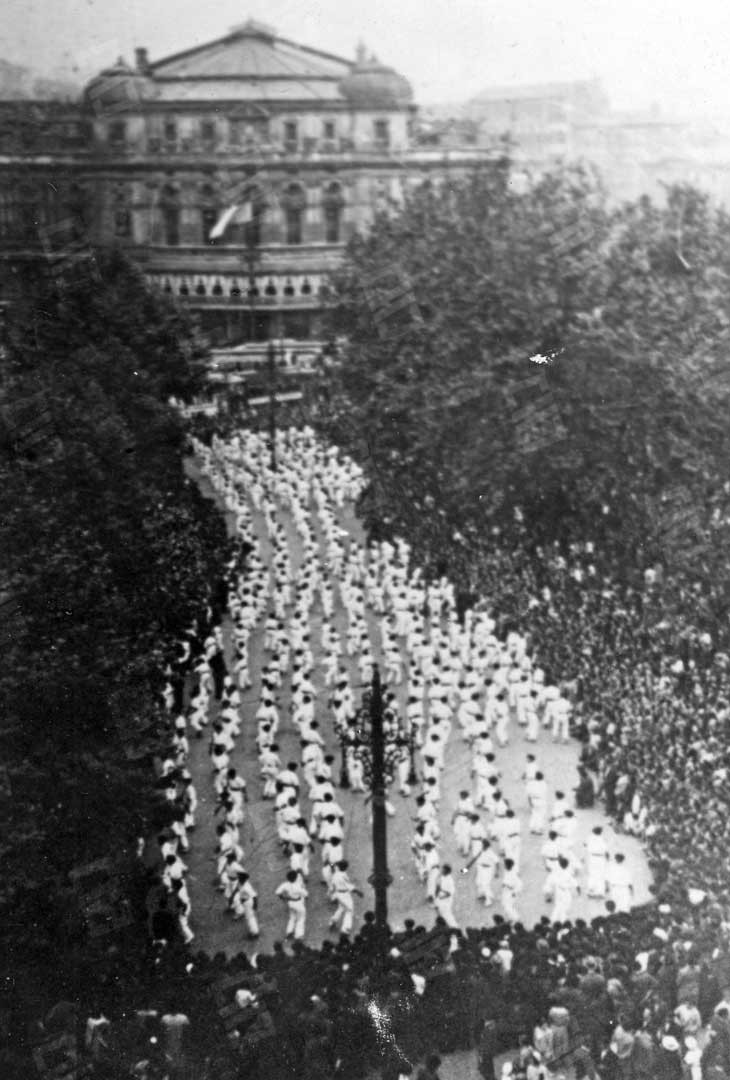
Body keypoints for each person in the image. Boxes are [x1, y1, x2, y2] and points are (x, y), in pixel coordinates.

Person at [275, 869, 308, 940]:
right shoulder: (297, 886)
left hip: (290, 902)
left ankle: (289, 931)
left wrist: (283, 898)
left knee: (292, 917)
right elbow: (306, 894)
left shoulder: (285, 884)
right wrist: (303, 888)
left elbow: (277, 892)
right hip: (298, 903)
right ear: (296, 878)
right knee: (301, 918)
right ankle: (298, 935)